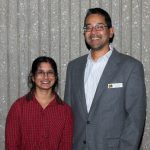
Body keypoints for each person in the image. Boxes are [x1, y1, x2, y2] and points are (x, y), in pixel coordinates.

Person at [64, 8, 146, 150]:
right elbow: (67, 115)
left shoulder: (130, 67)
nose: (93, 32)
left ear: (111, 31)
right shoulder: (74, 67)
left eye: (99, 27)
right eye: (88, 27)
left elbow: (135, 120)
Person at [5, 56, 73, 150]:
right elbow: (11, 145)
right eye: (40, 72)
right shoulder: (18, 108)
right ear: (33, 77)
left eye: (50, 73)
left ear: (55, 77)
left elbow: (66, 146)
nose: (46, 77)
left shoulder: (65, 111)